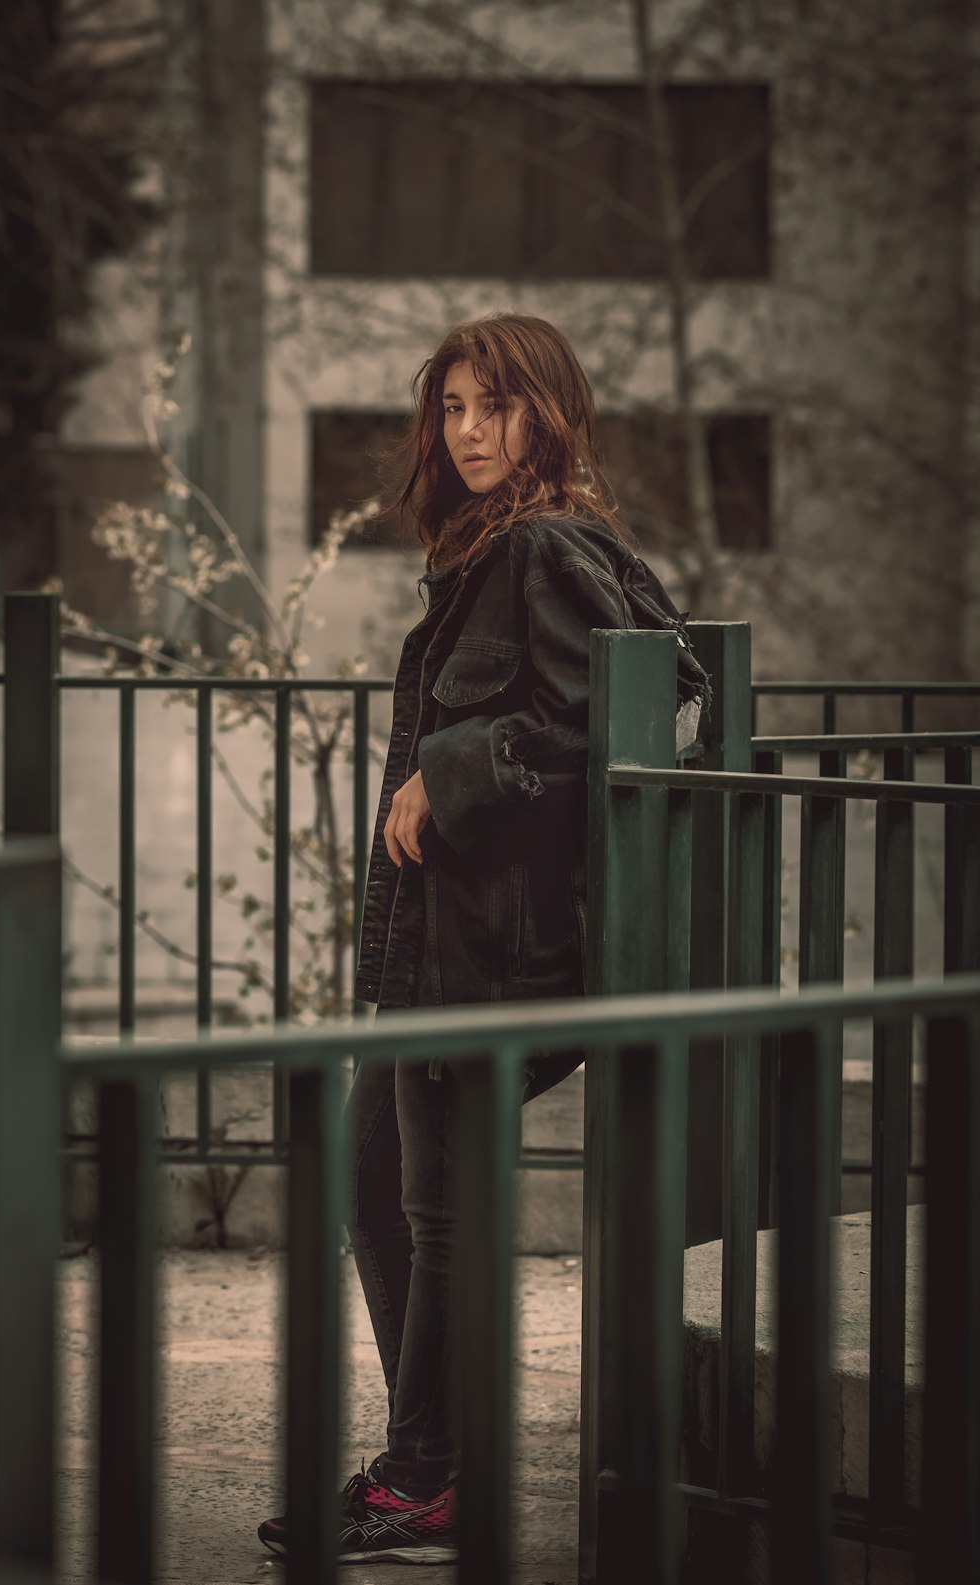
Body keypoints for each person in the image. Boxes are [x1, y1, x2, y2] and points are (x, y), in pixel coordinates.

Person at [258, 313, 709, 1564]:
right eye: (451, 408)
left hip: (496, 947)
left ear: (547, 414)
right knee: (372, 1181)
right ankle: (435, 1460)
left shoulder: (547, 549)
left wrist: (445, 774)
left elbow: (614, 720)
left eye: (493, 407)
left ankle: (427, 1478)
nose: (466, 432)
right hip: (444, 940)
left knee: (433, 1205)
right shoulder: (494, 546)